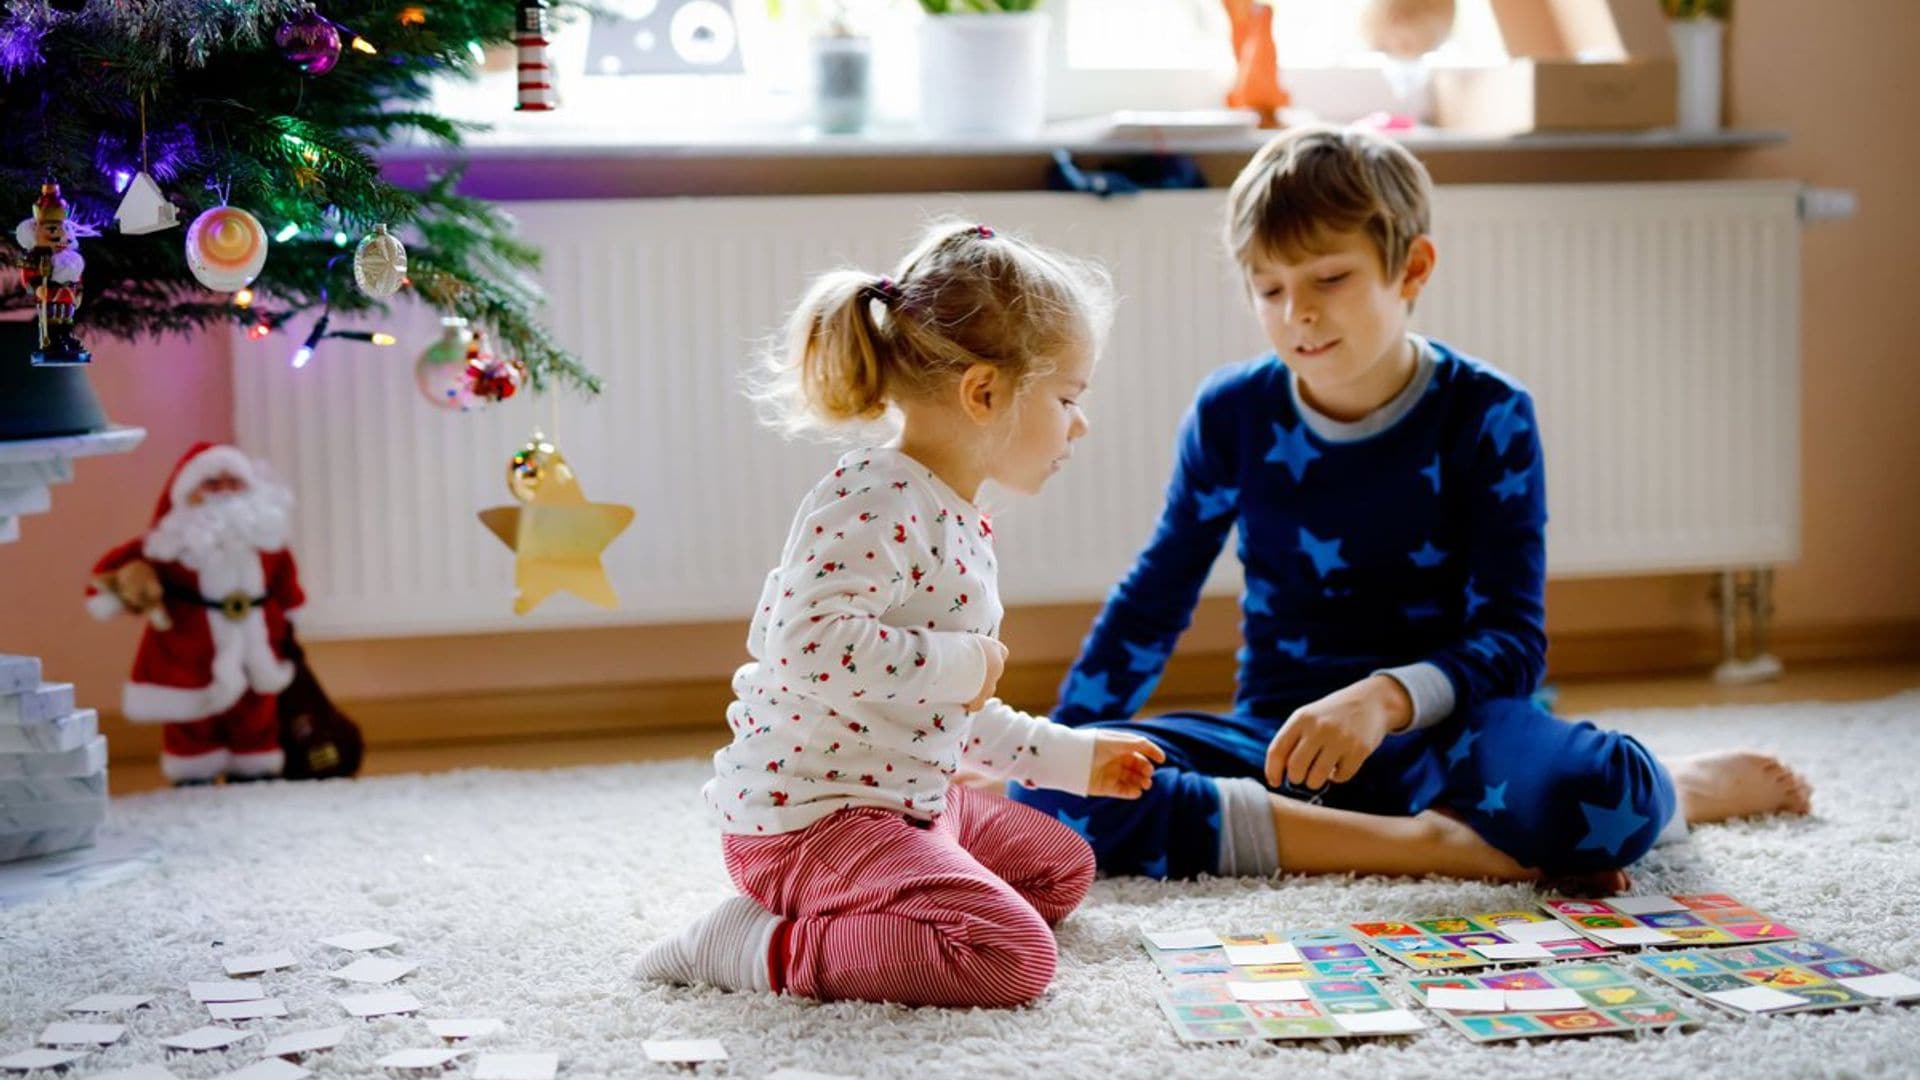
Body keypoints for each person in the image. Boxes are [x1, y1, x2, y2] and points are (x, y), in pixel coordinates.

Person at [1009, 125, 1812, 887]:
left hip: (1456, 738)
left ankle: (1683, 789)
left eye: (1330, 278)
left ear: (1413, 269)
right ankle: (1449, 849)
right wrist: (1061, 744)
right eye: (1270, 289)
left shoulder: (1488, 412)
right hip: (1282, 743)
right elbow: (1157, 595)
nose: (1299, 314)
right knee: (1048, 800)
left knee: (1600, 796)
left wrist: (1384, 698)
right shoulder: (1233, 412)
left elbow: (1512, 640)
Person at [637, 221, 1165, 1008]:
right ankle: (757, 943)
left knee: (1061, 868)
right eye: (1067, 398)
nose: (1078, 425)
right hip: (809, 824)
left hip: (901, 796)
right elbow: (809, 646)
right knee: (1010, 957)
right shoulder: (876, 499)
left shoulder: (955, 514)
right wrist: (963, 664)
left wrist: (1071, 758)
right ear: (984, 393)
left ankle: (900, 893)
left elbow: (929, 711)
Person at [86, 442, 305, 784]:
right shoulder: (170, 542)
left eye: (234, 483)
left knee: (256, 708)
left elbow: (286, 583)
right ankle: (193, 774)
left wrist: (291, 615)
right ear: (188, 491)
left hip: (255, 640)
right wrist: (113, 593)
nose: (224, 492)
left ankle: (254, 768)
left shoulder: (267, 539)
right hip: (189, 647)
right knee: (191, 712)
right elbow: (117, 569)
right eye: (212, 484)